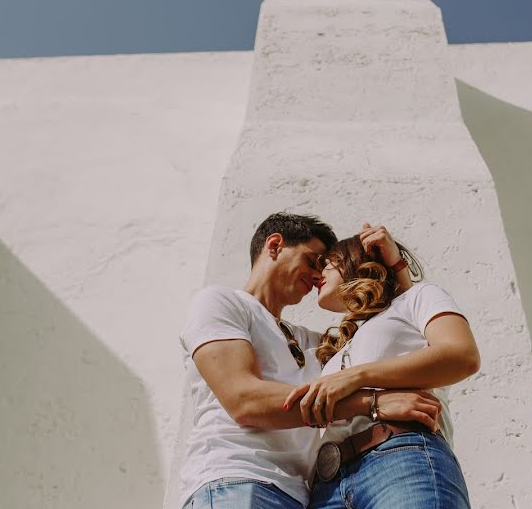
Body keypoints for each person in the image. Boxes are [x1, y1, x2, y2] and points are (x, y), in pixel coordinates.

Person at [178, 213, 444, 509]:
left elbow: (398, 333)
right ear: (275, 245)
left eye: (324, 266)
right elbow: (244, 400)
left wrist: (396, 267)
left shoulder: (313, 343)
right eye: (312, 261)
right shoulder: (221, 302)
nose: (319, 275)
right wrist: (371, 404)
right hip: (238, 480)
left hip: (302, 495)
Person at [282, 234, 480, 509]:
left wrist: (356, 376)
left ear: (354, 262)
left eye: (328, 264)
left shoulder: (417, 298)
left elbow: (462, 356)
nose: (318, 274)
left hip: (401, 458)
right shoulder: (336, 347)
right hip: (327, 488)